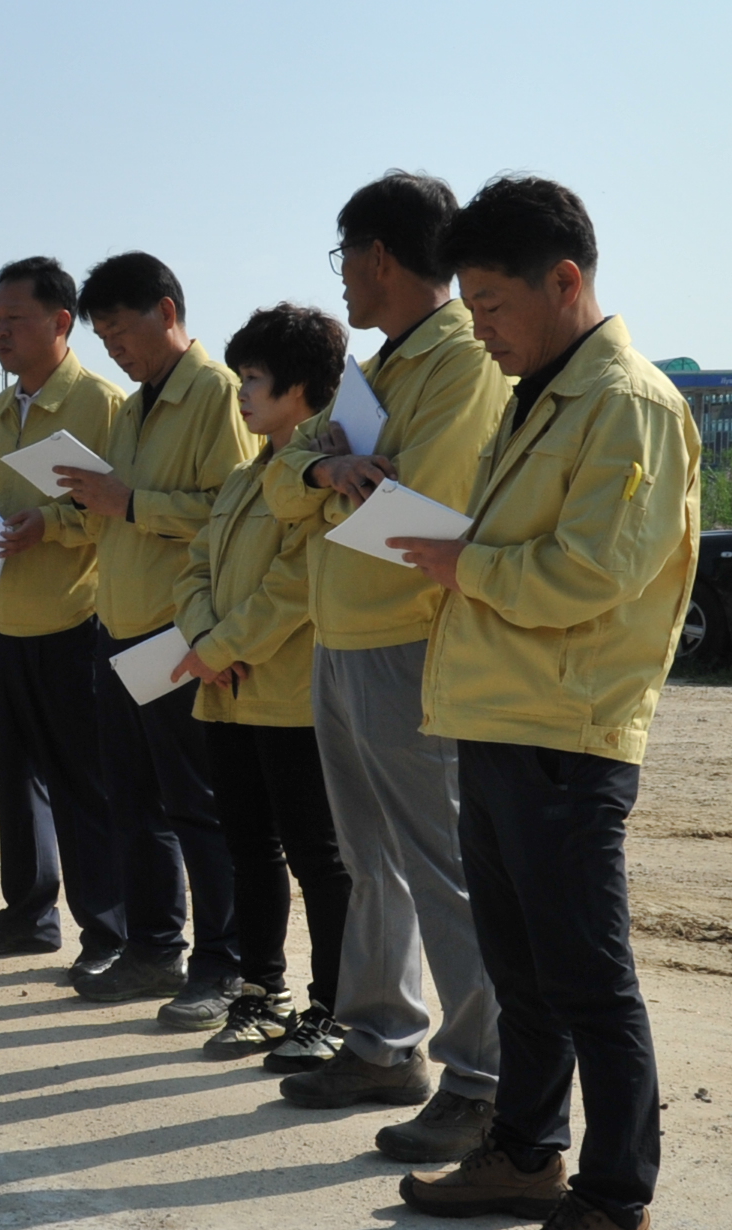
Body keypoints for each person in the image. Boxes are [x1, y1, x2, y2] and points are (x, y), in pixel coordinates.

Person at [395, 177, 698, 1230]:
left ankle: (616, 1209)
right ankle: (526, 1152)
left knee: (588, 981)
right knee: (521, 969)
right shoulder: (542, 395)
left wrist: (461, 562)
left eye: (490, 303)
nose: (478, 327)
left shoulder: (627, 403)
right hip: (499, 714)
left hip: (568, 729)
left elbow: (592, 572)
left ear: (564, 281)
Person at [264, 172, 512, 1164]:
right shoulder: (379, 367)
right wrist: (329, 468)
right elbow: (287, 478)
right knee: (369, 861)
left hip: (409, 637)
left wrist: (333, 476)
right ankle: (379, 1042)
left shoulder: (458, 363)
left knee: (441, 869)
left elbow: (422, 507)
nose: (342, 280)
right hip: (343, 638)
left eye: (344, 258)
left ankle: (483, 1079)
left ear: (376, 256)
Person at [62, 253, 254, 1022]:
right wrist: (86, 502)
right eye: (103, 337)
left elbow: (234, 511)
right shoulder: (132, 406)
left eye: (121, 331)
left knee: (197, 809)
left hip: (180, 634)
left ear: (167, 312)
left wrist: (131, 502)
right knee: (134, 803)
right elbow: (119, 507)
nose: (114, 349)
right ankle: (152, 950)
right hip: (120, 629)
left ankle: (223, 965)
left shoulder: (218, 394)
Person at [171, 304, 352, 1062]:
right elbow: (195, 569)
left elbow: (297, 582)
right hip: (227, 693)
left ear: (299, 388)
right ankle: (262, 991)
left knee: (318, 857)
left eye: (252, 379)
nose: (240, 393)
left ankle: (334, 1008)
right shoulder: (248, 477)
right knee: (248, 850)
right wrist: (206, 643)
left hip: (292, 696)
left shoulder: (320, 473)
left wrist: (224, 645)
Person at [0, 257, 125, 975]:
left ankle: (108, 933)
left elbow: (118, 510)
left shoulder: (103, 406)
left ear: (60, 322)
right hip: (0, 621)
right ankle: (28, 915)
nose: (1, 334)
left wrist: (51, 524)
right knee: (13, 779)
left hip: (75, 621)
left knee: (87, 787)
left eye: (14, 320)